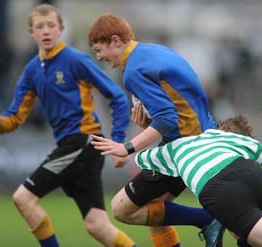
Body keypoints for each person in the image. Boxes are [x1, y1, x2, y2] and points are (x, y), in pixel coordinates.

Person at [0, 4, 135, 247]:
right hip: (75, 147)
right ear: (31, 32)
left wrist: (116, 140)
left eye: (51, 25)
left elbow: (116, 95)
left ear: (61, 29)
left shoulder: (75, 60)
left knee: (23, 198)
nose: (46, 31)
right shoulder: (32, 70)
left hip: (82, 142)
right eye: (40, 26)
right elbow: (14, 118)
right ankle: (203, 220)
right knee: (97, 225)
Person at [92, 115, 262, 247]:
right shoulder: (241, 142)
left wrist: (128, 148)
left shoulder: (188, 142)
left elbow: (146, 158)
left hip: (219, 186)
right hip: (256, 178)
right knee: (253, 239)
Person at [88, 13, 223, 247]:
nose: (99, 57)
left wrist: (126, 148)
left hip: (183, 148)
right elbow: (178, 109)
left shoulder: (132, 70)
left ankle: (208, 219)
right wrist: (148, 125)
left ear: (116, 41)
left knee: (121, 209)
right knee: (155, 212)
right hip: (203, 137)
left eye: (99, 50)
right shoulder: (155, 51)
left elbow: (168, 117)